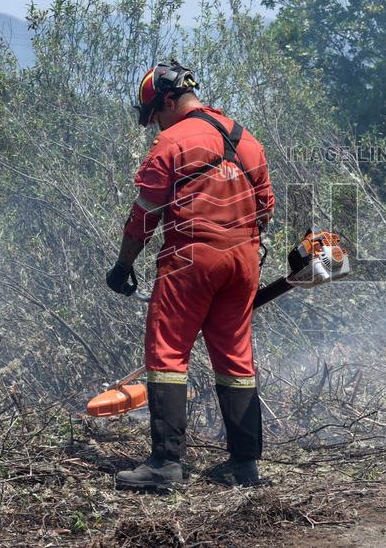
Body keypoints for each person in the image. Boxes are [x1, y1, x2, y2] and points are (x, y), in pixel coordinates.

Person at [106, 60, 275, 491]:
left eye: (154, 116)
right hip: (244, 262)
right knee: (235, 358)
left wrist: (123, 267)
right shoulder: (246, 139)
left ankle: (166, 463)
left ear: (168, 102)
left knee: (167, 353)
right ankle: (244, 465)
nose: (155, 125)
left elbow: (143, 217)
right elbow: (266, 209)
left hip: (190, 259)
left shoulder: (172, 141)